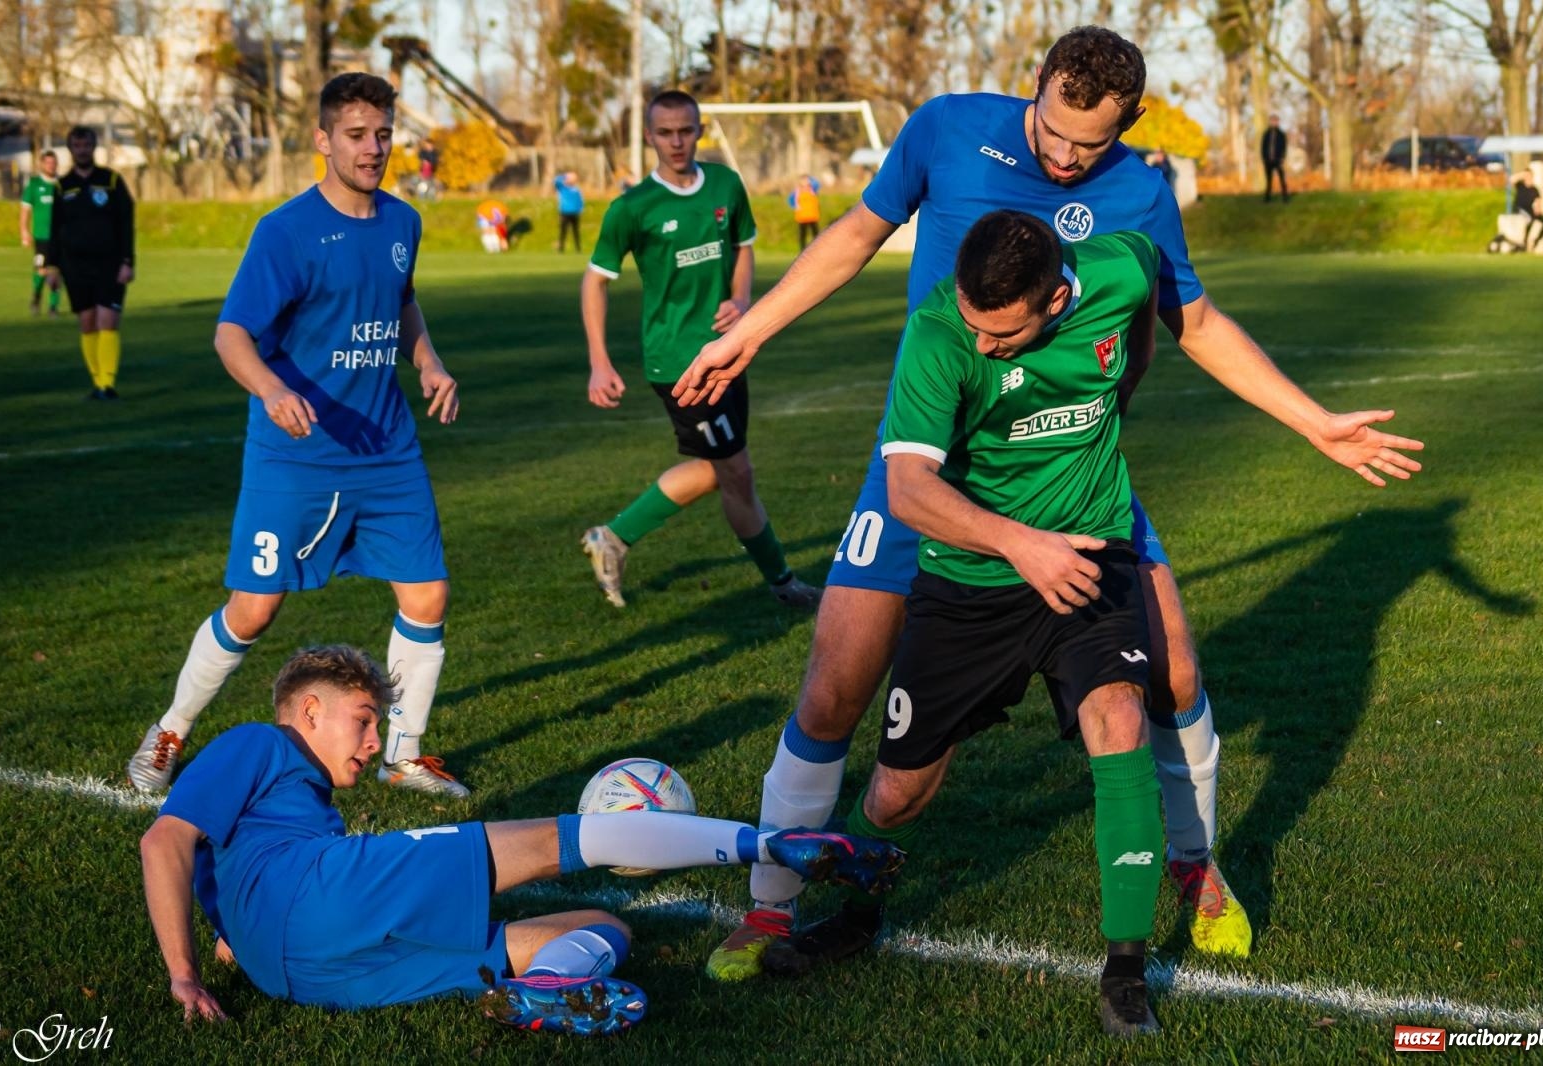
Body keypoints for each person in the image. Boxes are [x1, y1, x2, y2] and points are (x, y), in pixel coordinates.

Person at [676, 26, 1423, 982]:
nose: (1066, 159)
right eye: (1054, 132)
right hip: (926, 473)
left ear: (1130, 122)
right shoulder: (947, 130)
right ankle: (771, 908)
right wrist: (751, 334)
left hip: (1067, 476)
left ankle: (1195, 866)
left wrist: (1314, 423)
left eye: (1090, 143)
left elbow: (1191, 322)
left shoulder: (1140, 194)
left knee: (1176, 672)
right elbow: (857, 235)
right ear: (1035, 85)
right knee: (832, 691)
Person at [140, 644, 905, 1032]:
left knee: (603, 928)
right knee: (549, 843)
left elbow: (218, 883)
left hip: (299, 974)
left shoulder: (294, 809)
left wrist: (224, 942)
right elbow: (164, 841)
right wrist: (181, 973)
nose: (374, 743)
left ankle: (545, 990)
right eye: (364, 720)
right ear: (308, 710)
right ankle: (768, 845)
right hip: (321, 895)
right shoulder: (260, 742)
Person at [125, 73, 469, 799]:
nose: (373, 149)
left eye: (383, 134)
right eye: (356, 135)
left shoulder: (403, 222)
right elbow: (231, 334)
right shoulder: (285, 231)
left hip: (386, 449)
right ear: (322, 139)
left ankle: (402, 754)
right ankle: (172, 728)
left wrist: (429, 361)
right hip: (296, 455)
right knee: (254, 609)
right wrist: (273, 389)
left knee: (428, 596)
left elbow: (402, 302)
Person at [873, 211, 1164, 1033]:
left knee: (1121, 717)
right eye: (974, 322)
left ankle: (1126, 970)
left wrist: (1126, 381)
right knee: (896, 797)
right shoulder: (938, 335)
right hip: (971, 581)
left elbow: (1146, 283)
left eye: (1002, 332)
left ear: (1057, 298)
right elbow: (908, 491)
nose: (983, 343)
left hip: (1089, 551)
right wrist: (1019, 544)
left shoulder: (1118, 271)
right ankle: (856, 905)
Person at [579, 90, 819, 610]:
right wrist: (599, 361)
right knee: (736, 472)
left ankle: (614, 538)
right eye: (665, 133)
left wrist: (741, 300)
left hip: (730, 351)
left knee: (724, 471)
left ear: (700, 131)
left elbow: (743, 247)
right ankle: (783, 585)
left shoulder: (726, 185)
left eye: (685, 130)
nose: (676, 142)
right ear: (649, 136)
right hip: (679, 362)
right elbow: (595, 280)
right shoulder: (633, 207)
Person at [47, 126, 134, 399]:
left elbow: (126, 223)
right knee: (87, 322)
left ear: (94, 147)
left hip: (110, 264)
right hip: (75, 266)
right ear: (70, 149)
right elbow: (54, 229)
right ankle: (97, 383)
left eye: (86, 145)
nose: (82, 150)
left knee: (108, 321)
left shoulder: (111, 181)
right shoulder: (63, 186)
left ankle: (108, 384)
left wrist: (128, 261)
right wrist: (52, 266)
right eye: (77, 146)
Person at [19, 149, 62, 317]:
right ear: (42, 164)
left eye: (54, 163)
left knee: (56, 272)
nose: (51, 166)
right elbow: (25, 210)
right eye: (48, 162)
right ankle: (36, 297)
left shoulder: (62, 185)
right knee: (41, 271)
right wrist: (24, 231)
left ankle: (53, 307)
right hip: (41, 236)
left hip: (59, 237)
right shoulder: (34, 185)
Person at [1513, 169, 1543, 251]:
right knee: (1530, 219)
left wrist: (1538, 208)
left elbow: (1538, 199)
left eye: (1529, 175)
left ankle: (1536, 240)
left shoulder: (1534, 189)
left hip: (1531, 211)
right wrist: (1522, 174)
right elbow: (1511, 180)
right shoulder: (1520, 185)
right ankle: (1524, 242)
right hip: (1520, 209)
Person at [789, 173, 822, 252]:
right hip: (802, 216)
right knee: (802, 234)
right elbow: (790, 201)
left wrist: (810, 178)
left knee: (816, 234)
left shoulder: (812, 189)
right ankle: (802, 250)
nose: (805, 182)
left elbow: (818, 183)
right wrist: (795, 207)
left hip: (813, 215)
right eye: (803, 180)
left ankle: (817, 249)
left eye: (807, 180)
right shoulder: (797, 191)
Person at [1260, 115, 1288, 203]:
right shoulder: (1266, 134)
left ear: (1278, 122)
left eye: (1275, 121)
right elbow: (1263, 147)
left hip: (1278, 160)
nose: (1274, 123)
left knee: (1282, 178)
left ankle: (1285, 197)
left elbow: (1284, 147)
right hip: (1268, 160)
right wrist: (1264, 158)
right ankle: (1267, 198)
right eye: (1272, 121)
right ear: (1270, 122)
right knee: (1269, 180)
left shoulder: (1281, 134)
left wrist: (1282, 158)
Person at [555, 170, 584, 252]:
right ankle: (561, 248)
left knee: (576, 231)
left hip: (575, 212)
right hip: (564, 212)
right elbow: (556, 180)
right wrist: (565, 176)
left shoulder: (576, 189)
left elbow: (580, 200)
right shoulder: (562, 187)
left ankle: (578, 248)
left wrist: (580, 208)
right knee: (563, 231)